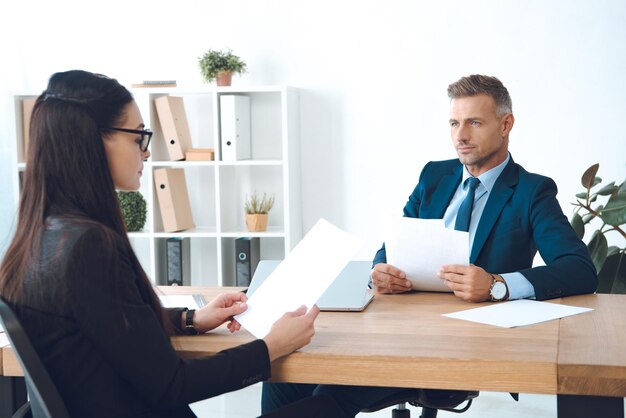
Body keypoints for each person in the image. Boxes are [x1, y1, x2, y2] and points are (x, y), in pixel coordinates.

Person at [0, 70, 342, 418]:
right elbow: (172, 385)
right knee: (338, 400)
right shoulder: (90, 247)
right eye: (138, 138)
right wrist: (270, 347)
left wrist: (192, 319)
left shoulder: (41, 237)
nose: (146, 154)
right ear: (95, 140)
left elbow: (106, 325)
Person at [261, 74, 598, 417]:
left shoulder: (531, 191)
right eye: (454, 123)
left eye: (474, 122)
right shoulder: (434, 176)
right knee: (284, 368)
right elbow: (394, 243)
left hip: (465, 343)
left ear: (506, 124)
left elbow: (579, 269)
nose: (460, 136)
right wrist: (380, 270)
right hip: (400, 328)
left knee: (331, 389)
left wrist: (498, 285)